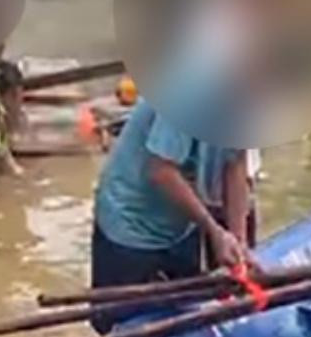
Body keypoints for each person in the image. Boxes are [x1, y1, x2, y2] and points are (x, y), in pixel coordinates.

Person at [91, 96, 249, 311]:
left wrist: (239, 242)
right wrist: (214, 231)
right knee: (124, 320)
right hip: (131, 220)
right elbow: (161, 171)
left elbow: (236, 164)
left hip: (182, 221)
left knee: (184, 310)